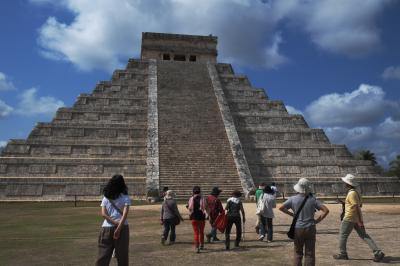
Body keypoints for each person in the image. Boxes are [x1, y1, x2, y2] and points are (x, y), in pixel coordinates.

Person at [333, 174, 385, 262]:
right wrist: (345, 203)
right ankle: (378, 252)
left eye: (345, 183)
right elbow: (359, 204)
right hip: (355, 218)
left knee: (342, 235)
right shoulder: (356, 192)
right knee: (364, 235)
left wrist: (360, 221)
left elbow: (356, 206)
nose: (344, 184)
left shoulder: (351, 193)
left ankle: (343, 253)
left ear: (348, 184)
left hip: (349, 218)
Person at [279, 178, 329, 266]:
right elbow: (326, 210)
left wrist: (293, 215)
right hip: (310, 227)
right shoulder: (313, 199)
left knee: (298, 253)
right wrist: (317, 221)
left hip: (298, 227)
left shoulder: (292, 199)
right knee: (310, 253)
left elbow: (281, 207)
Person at [95, 174, 131, 266]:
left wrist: (114, 222)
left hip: (106, 228)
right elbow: (125, 214)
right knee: (122, 256)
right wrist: (118, 227)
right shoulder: (125, 197)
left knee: (103, 255)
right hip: (122, 227)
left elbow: (103, 214)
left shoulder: (105, 197)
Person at [188, 186, 208, 253]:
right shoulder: (203, 199)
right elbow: (205, 207)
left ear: (193, 192)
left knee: (196, 232)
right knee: (201, 232)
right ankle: (202, 245)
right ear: (200, 191)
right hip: (201, 216)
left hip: (194, 216)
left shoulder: (191, 199)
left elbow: (190, 208)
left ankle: (197, 247)